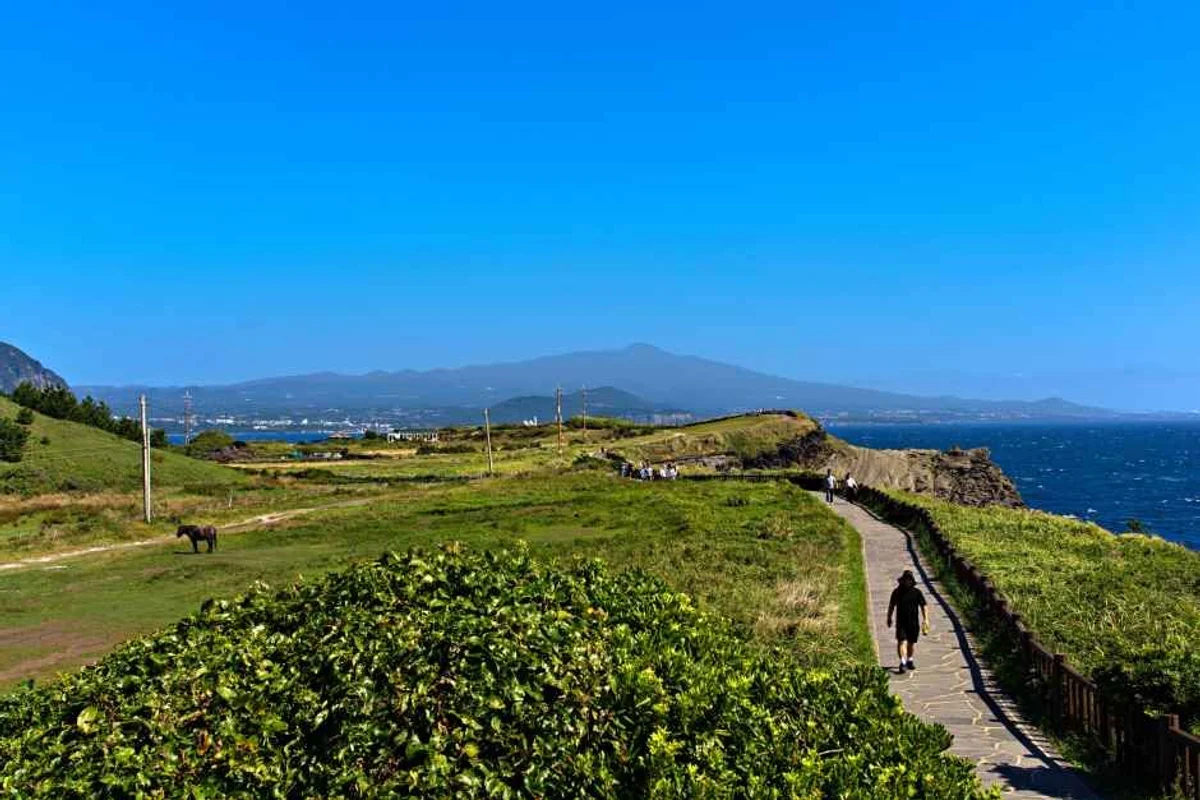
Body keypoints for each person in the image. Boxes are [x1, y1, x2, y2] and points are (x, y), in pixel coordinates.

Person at [887, 570, 928, 674]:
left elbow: (924, 606)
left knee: (911, 643)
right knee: (901, 642)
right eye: (905, 580)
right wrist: (889, 617)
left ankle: (910, 659)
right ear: (902, 580)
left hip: (913, 623)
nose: (907, 582)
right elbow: (892, 605)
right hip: (901, 622)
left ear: (912, 581)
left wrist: (926, 619)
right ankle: (903, 662)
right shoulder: (896, 592)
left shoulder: (917, 592)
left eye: (909, 580)